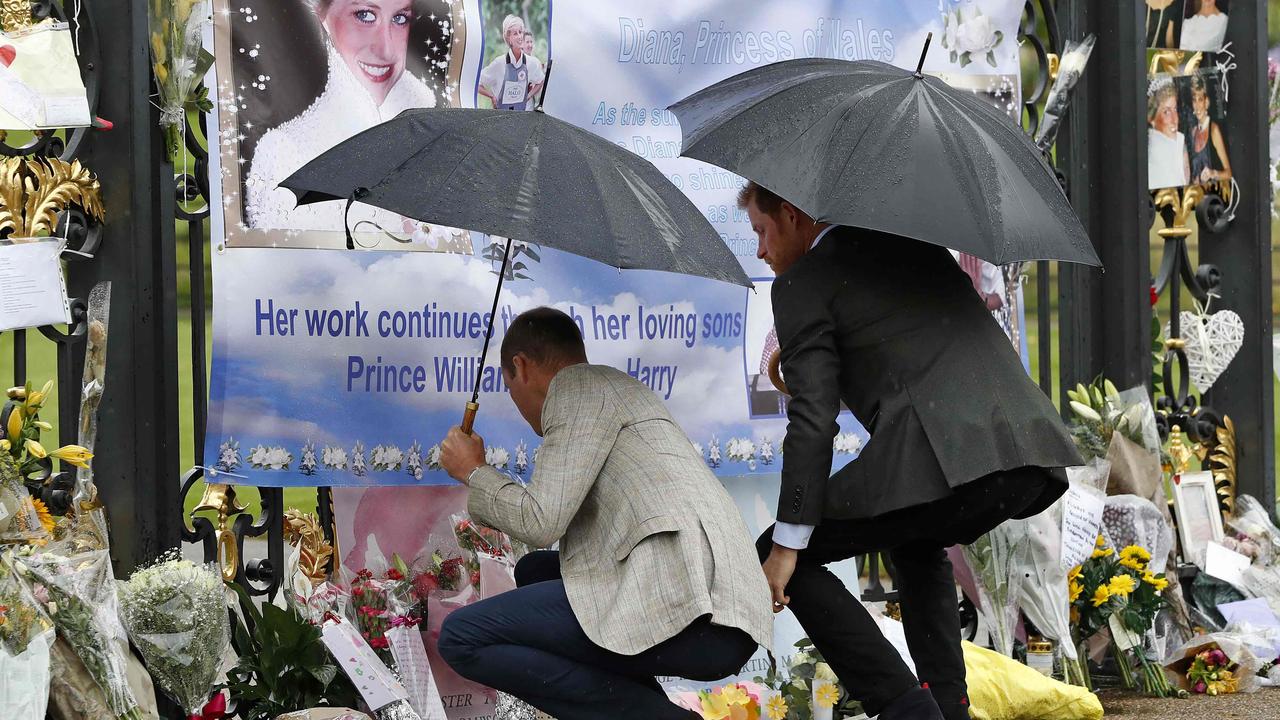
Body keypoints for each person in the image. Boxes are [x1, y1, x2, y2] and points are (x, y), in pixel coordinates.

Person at [740, 182, 1080, 720]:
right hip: (1024, 451)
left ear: (791, 214)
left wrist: (787, 541)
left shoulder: (802, 282)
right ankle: (948, 707)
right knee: (916, 538)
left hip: (952, 462)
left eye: (761, 231)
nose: (760, 250)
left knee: (783, 552)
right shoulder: (911, 245)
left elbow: (814, 420)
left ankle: (907, 712)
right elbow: (911, 353)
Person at [435, 307, 772, 720]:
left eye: (509, 388)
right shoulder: (619, 389)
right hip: (726, 610)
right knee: (535, 571)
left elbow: (540, 521)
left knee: (462, 637)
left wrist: (473, 470)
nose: (519, 407)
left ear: (519, 367)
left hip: (693, 607)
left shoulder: (576, 390)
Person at [243, 0, 464, 249]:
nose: (386, 50)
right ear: (320, 14)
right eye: (365, 15)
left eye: (400, 19)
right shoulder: (282, 154)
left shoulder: (438, 144)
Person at [478, 15, 545, 111]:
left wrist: (528, 96)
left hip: (524, 118)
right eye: (515, 34)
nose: (520, 36)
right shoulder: (499, 63)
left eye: (520, 32)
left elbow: (541, 80)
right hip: (503, 119)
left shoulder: (532, 63)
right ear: (508, 38)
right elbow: (476, 83)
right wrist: (492, 96)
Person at [1187, 74, 1232, 186]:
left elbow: (1228, 173)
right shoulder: (1193, 132)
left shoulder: (1214, 130)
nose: (1197, 106)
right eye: (1194, 100)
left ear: (1206, 102)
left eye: (1200, 100)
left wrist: (1213, 173)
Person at [1148, 82, 1190, 190]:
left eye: (1175, 109)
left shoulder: (1180, 140)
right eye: (1166, 112)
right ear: (1152, 119)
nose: (1175, 119)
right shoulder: (1152, 149)